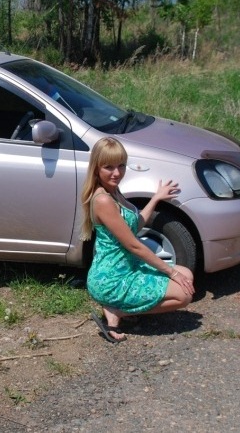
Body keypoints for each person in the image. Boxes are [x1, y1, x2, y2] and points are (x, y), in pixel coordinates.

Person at [81, 137, 196, 342]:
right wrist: (171, 272)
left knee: (186, 273)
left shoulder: (113, 191)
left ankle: (119, 309)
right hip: (112, 280)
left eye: (121, 166)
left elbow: (135, 226)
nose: (117, 173)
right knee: (183, 295)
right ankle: (119, 312)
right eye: (108, 167)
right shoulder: (104, 200)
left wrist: (156, 198)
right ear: (96, 168)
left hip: (126, 270)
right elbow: (134, 245)